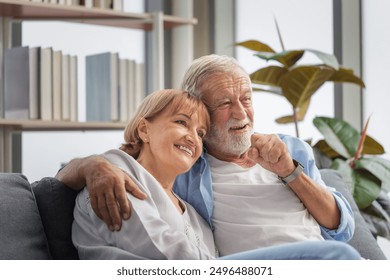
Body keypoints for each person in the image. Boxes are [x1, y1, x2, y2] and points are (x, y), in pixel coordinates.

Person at [58, 55, 357, 259]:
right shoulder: (179, 169)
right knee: (338, 258)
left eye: (246, 100)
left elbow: (342, 228)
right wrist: (91, 165)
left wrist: (290, 171)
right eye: (225, 103)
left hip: (315, 259)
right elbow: (71, 176)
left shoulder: (289, 149)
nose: (241, 113)